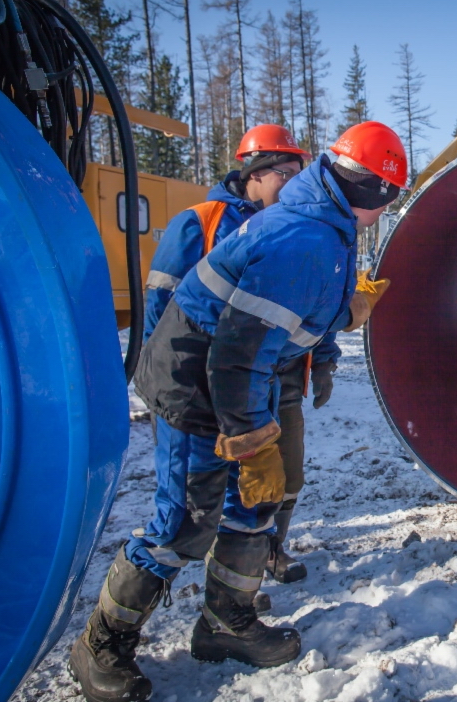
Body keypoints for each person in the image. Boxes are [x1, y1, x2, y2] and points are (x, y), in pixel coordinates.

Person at [68, 121, 406, 702]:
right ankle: (101, 643)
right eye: (389, 200)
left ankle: (227, 622)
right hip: (196, 378)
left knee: (254, 502)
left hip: (240, 372)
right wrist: (250, 443)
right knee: (184, 523)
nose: (385, 213)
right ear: (372, 193)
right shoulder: (304, 238)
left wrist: (337, 330)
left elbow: (297, 317)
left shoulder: (331, 227)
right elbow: (235, 353)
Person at [142, 124, 337, 585]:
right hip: (206, 388)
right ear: (254, 172)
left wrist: (325, 357)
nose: (294, 184)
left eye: (299, 173)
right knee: (193, 505)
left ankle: (254, 568)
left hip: (275, 380)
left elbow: (315, 303)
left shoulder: (297, 228)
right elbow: (161, 311)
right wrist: (166, 392)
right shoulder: (200, 222)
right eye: (285, 173)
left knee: (272, 484)